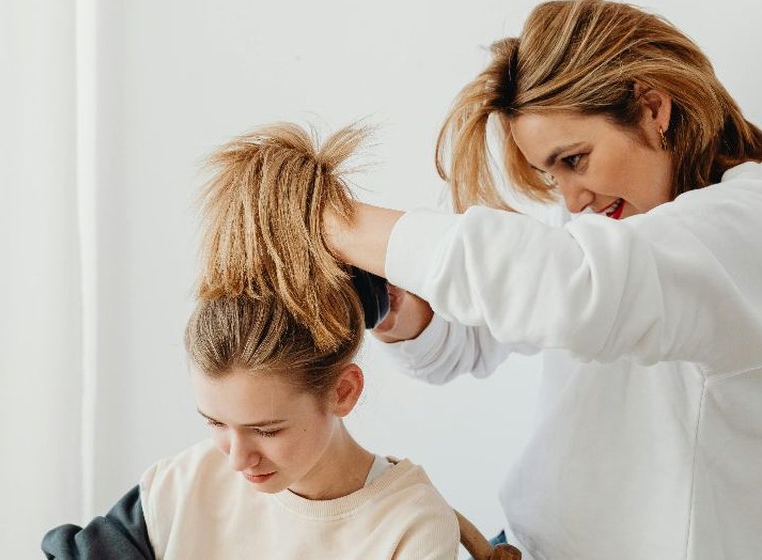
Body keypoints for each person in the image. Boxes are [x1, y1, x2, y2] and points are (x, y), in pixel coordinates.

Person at [322, 0, 762, 559]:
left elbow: (567, 290)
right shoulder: (620, 224)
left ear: (653, 108)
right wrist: (400, 309)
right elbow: (470, 338)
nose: (571, 198)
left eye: (575, 159)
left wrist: (337, 222)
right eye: (553, 175)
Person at [43, 125, 504, 559]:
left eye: (266, 430)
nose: (238, 459)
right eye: (215, 423)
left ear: (343, 391)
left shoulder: (409, 526)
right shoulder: (184, 486)